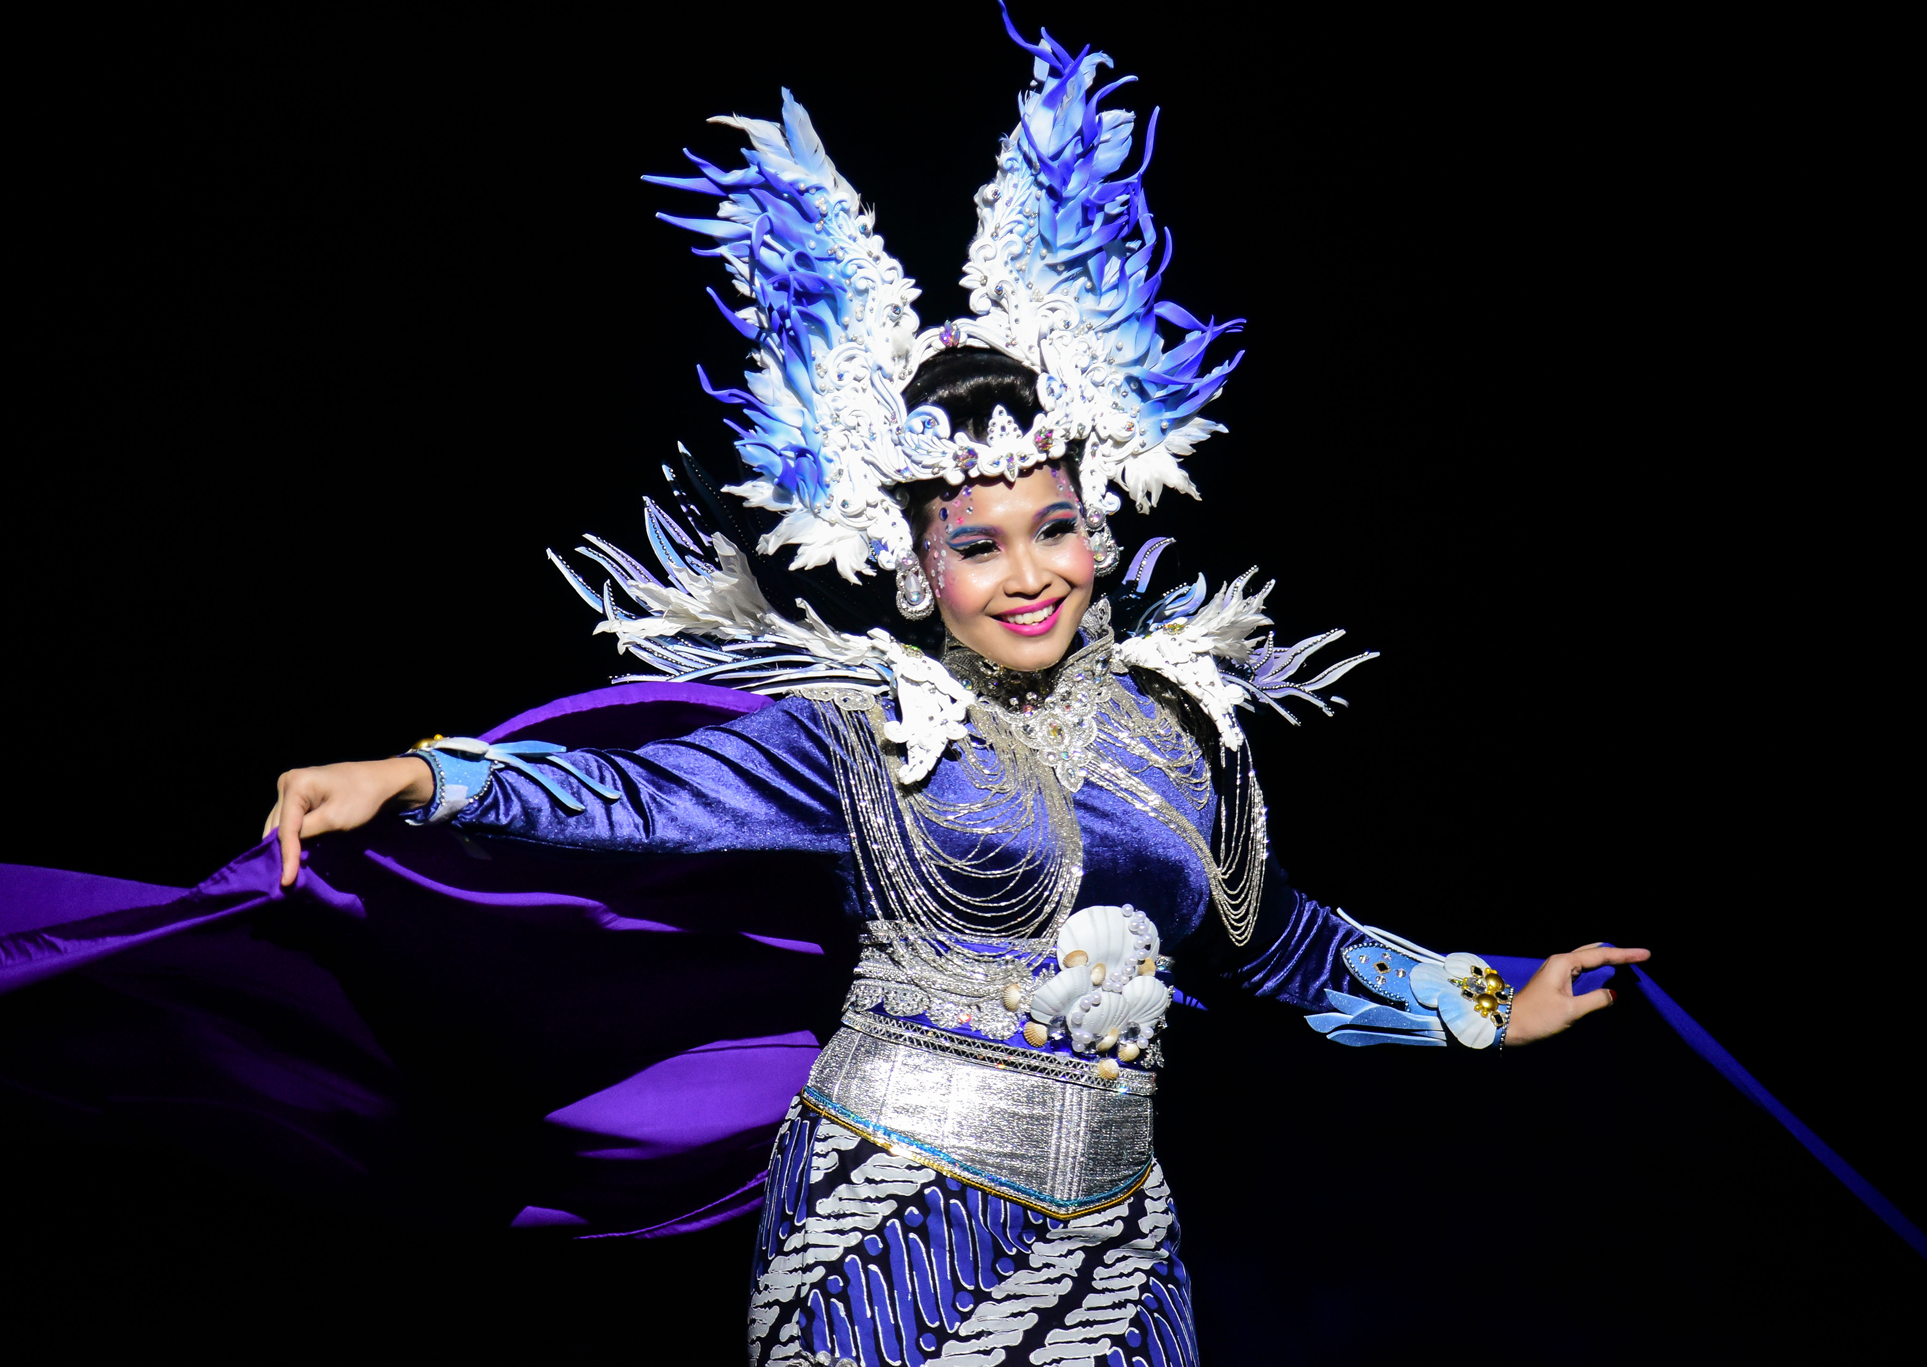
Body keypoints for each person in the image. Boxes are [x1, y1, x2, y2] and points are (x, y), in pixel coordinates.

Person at [255, 22, 1646, 1357]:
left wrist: (1491, 1000)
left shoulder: (1180, 731)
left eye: (1055, 527)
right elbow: (635, 795)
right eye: (979, 545)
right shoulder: (865, 725)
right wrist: (427, 775)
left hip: (1117, 1252)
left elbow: (1276, 939)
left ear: (1099, 529)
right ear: (921, 571)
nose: (1028, 573)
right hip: (884, 1222)